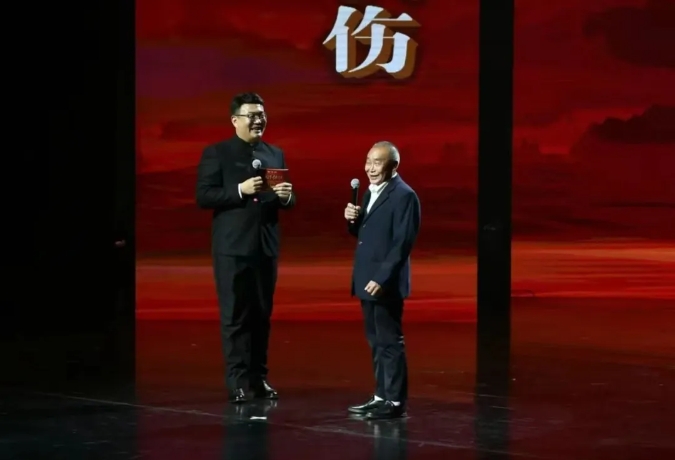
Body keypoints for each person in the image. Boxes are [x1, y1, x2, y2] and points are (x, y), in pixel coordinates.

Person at [196, 92, 295, 403]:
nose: (258, 120)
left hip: (265, 247)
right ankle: (237, 381)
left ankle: (258, 378)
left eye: (261, 115)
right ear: (235, 120)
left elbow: (286, 197)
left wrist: (287, 197)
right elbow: (204, 195)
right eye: (251, 115)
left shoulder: (274, 153)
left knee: (261, 316)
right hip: (232, 248)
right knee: (236, 316)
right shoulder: (218, 153)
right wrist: (240, 189)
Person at [343, 141, 421, 420]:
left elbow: (402, 243)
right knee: (375, 341)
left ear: (394, 166)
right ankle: (380, 396)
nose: (370, 168)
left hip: (384, 282)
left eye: (377, 163)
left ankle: (395, 401)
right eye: (368, 161)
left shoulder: (404, 196)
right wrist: (353, 220)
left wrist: (382, 277)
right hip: (367, 278)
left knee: (389, 342)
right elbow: (366, 235)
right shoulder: (369, 192)